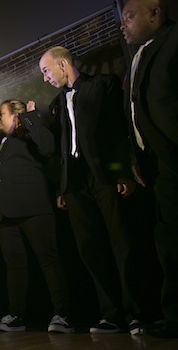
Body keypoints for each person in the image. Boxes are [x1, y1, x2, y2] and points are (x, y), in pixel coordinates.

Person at [39, 46, 141, 334]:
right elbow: (60, 148)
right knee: (89, 249)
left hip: (104, 176)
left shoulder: (103, 84)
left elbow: (117, 130)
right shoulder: (57, 102)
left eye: (46, 71)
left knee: (121, 242)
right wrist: (62, 187)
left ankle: (136, 312)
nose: (45, 78)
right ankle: (110, 314)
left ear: (62, 64)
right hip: (74, 183)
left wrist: (121, 172)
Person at [0, 99, 73, 333]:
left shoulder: (30, 133)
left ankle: (62, 314)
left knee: (48, 260)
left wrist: (30, 118)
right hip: (4, 213)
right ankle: (16, 315)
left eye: (1, 114)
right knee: (14, 265)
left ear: (15, 116)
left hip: (33, 207)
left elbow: (48, 147)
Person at [120, 0, 178, 338]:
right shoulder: (139, 55)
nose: (123, 25)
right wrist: (134, 157)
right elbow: (135, 113)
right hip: (156, 163)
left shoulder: (174, 41)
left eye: (129, 17)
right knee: (169, 242)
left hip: (173, 152)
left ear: (155, 14)